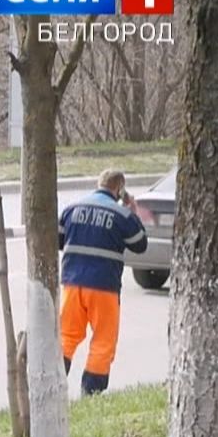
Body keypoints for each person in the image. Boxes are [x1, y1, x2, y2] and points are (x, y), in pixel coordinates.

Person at [58, 169, 149, 395]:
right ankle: (91, 395)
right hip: (103, 287)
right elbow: (140, 244)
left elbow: (59, 239)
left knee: (67, 337)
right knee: (102, 342)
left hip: (71, 284)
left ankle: (52, 387)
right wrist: (133, 212)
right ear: (119, 190)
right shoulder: (121, 215)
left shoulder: (72, 208)